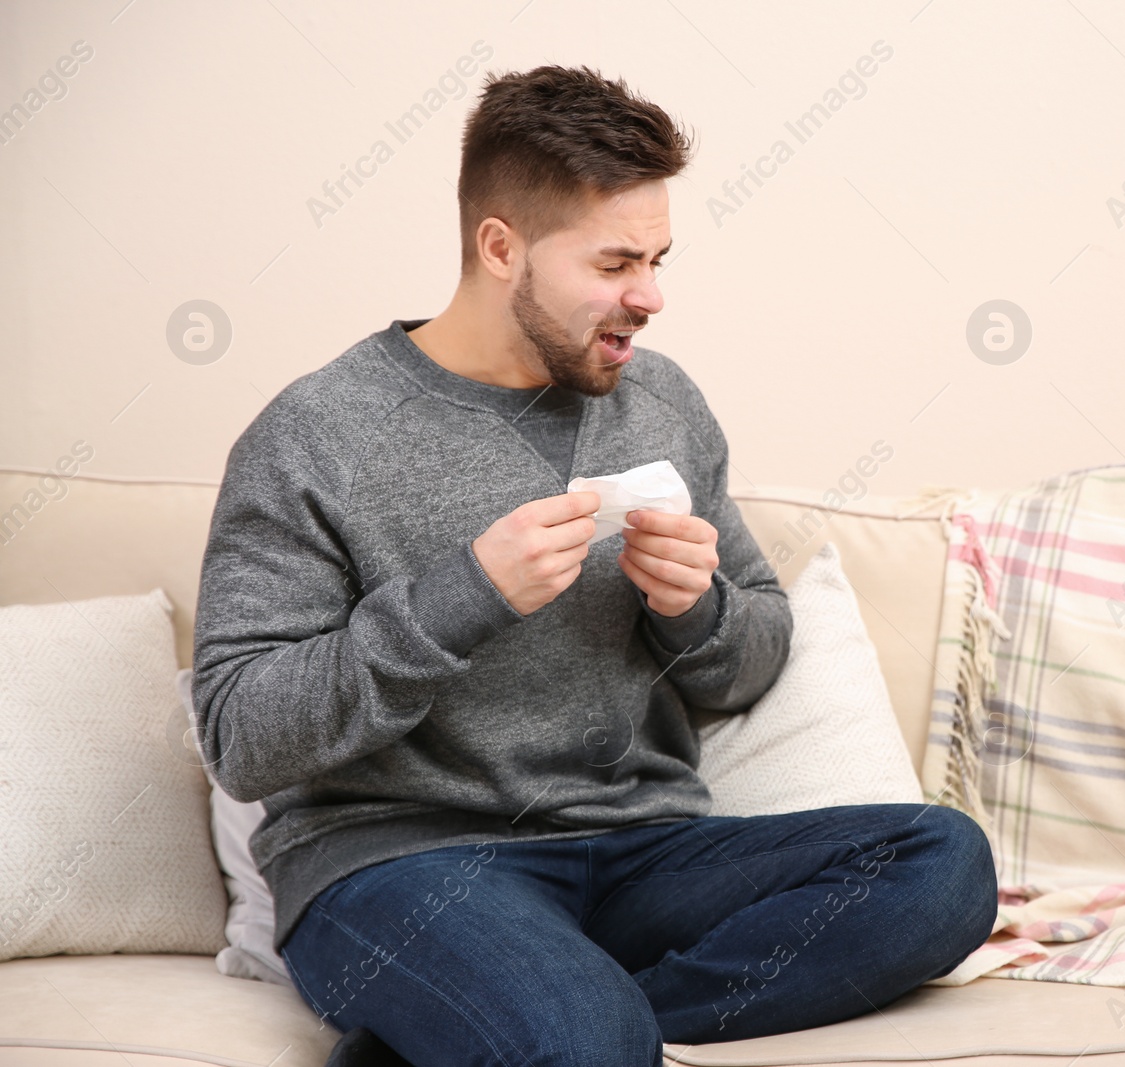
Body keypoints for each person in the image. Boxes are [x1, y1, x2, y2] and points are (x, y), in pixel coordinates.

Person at [190, 63, 997, 1067]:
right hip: (401, 862)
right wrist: (461, 597)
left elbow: (750, 658)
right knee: (584, 1040)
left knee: (943, 864)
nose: (650, 297)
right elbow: (241, 734)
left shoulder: (660, 403)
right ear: (501, 247)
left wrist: (696, 609)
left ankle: (482, 1032)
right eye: (617, 263)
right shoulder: (314, 435)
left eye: (658, 259)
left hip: (639, 850)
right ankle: (553, 1021)